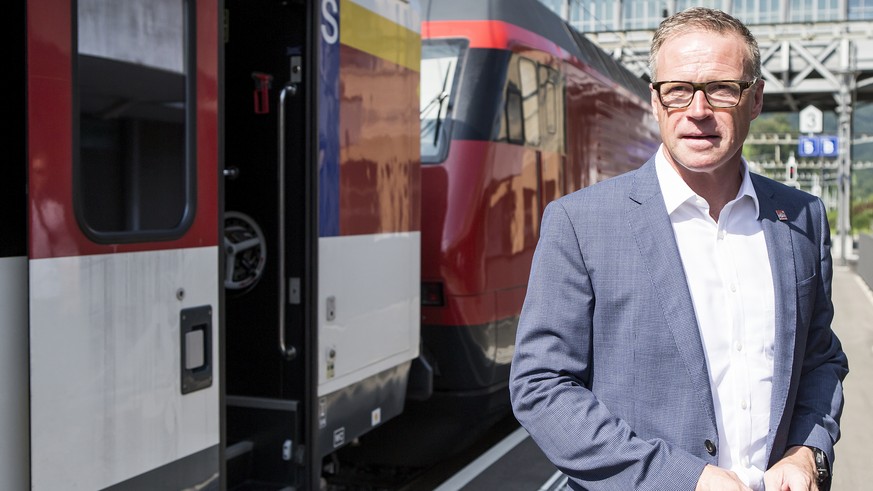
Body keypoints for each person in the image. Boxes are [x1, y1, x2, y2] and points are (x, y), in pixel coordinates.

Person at [509, 7, 848, 491]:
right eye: (678, 90)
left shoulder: (801, 217)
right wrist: (680, 478)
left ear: (755, 101)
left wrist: (805, 454)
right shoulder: (580, 223)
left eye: (723, 88)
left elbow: (820, 359)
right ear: (655, 99)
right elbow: (541, 387)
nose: (698, 110)